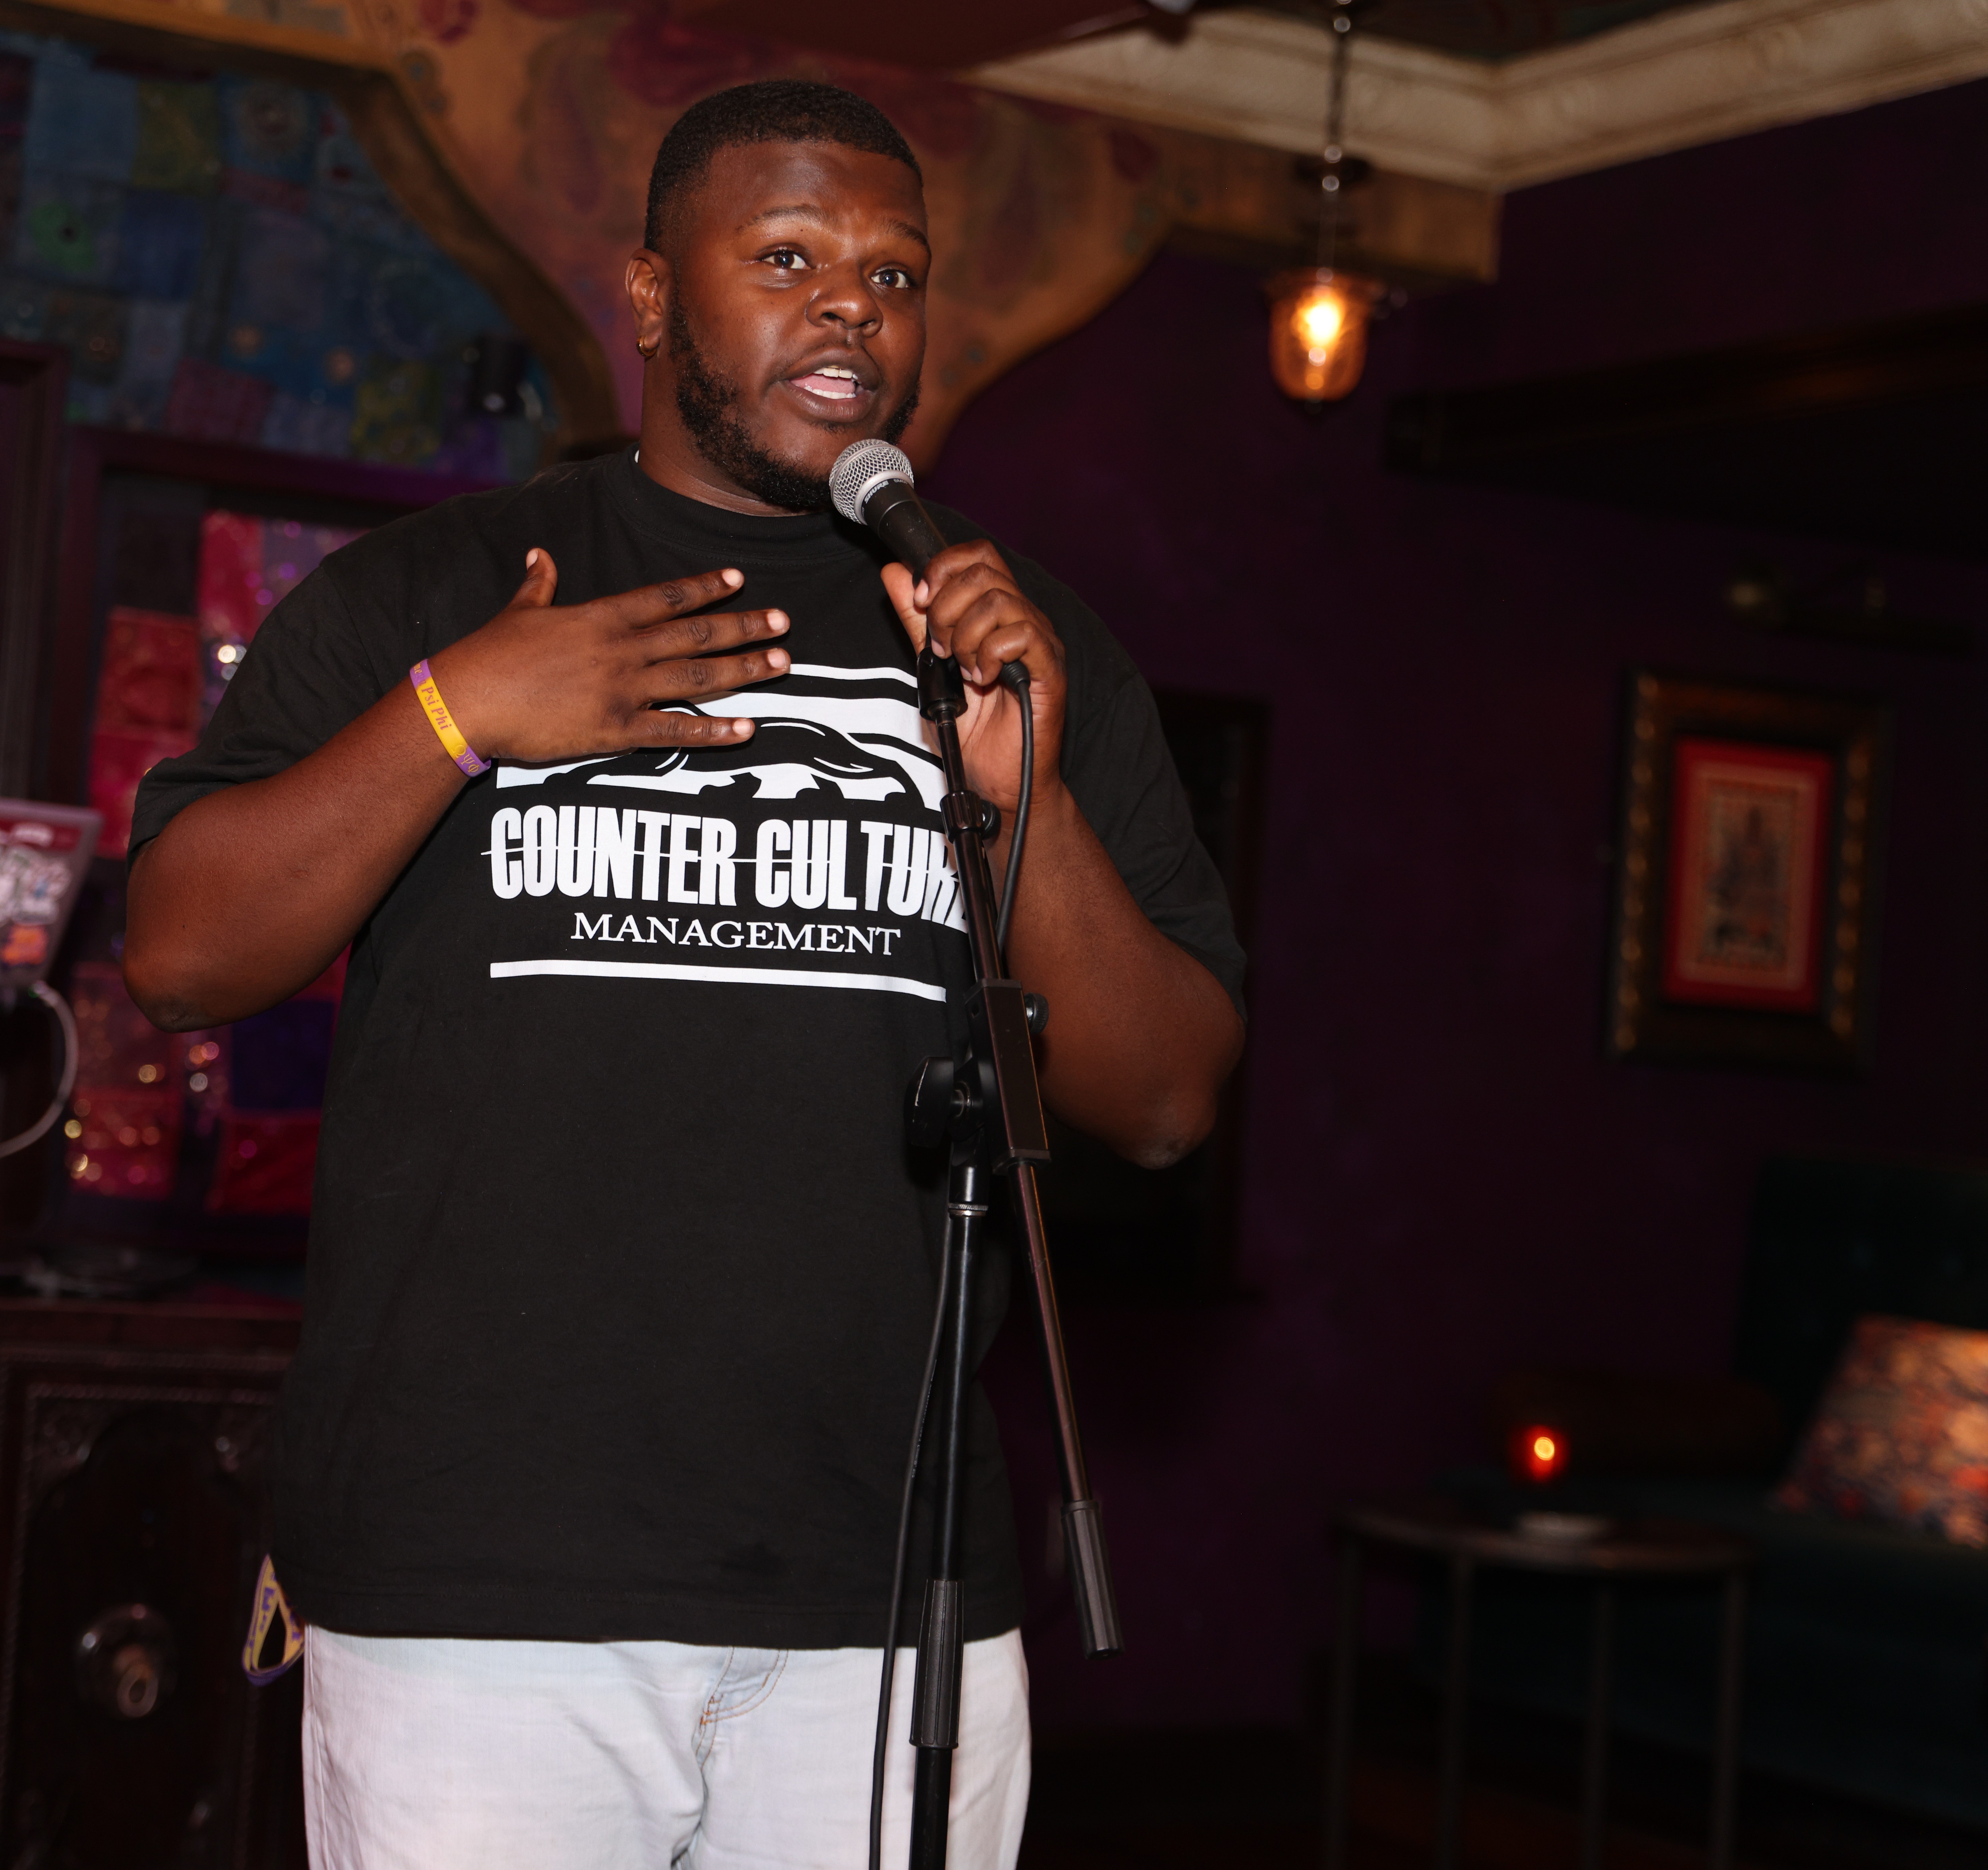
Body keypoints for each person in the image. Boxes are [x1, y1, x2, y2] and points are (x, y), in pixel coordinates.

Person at [126, 81, 1245, 1867]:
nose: (850, 313)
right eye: (788, 256)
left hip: (881, 1581)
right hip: (483, 1584)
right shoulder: (443, 592)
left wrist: (1025, 802)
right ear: (650, 294)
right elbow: (182, 952)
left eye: (893, 274)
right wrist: (461, 714)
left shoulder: (1005, 629)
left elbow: (1170, 1096)